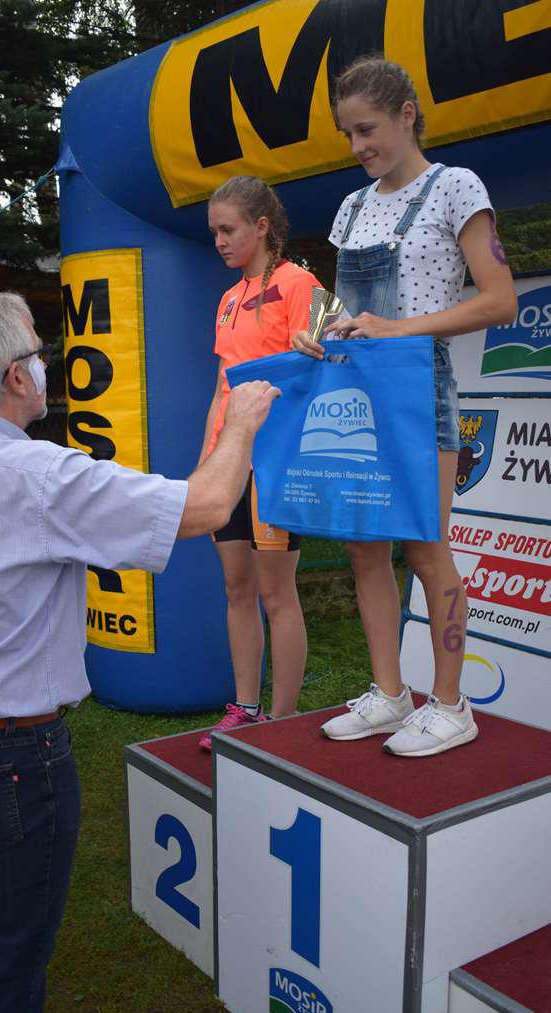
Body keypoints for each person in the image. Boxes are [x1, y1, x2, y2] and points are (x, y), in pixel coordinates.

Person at [0, 292, 279, 1013]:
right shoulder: (38, 475)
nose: (45, 366)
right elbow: (208, 507)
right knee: (11, 953)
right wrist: (242, 418)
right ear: (15, 376)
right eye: (38, 353)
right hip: (12, 756)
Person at [293, 57, 517, 757]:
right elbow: (341, 304)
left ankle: (451, 705)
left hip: (420, 391)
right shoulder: (350, 207)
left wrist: (398, 329)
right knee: (363, 546)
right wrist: (317, 329)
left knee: (425, 548)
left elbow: (499, 301)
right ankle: (390, 695)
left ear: (406, 115)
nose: (357, 146)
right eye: (348, 134)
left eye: (367, 129)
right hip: (355, 396)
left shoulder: (456, 186)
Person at [198, 176, 323, 751]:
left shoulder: (300, 283)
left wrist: (317, 344)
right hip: (229, 462)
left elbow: (322, 363)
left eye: (228, 230)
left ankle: (283, 721)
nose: (220, 242)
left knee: (277, 593)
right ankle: (245, 710)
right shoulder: (228, 298)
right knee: (236, 588)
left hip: (276, 460)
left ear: (262, 227)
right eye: (214, 232)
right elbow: (221, 388)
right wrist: (207, 464)